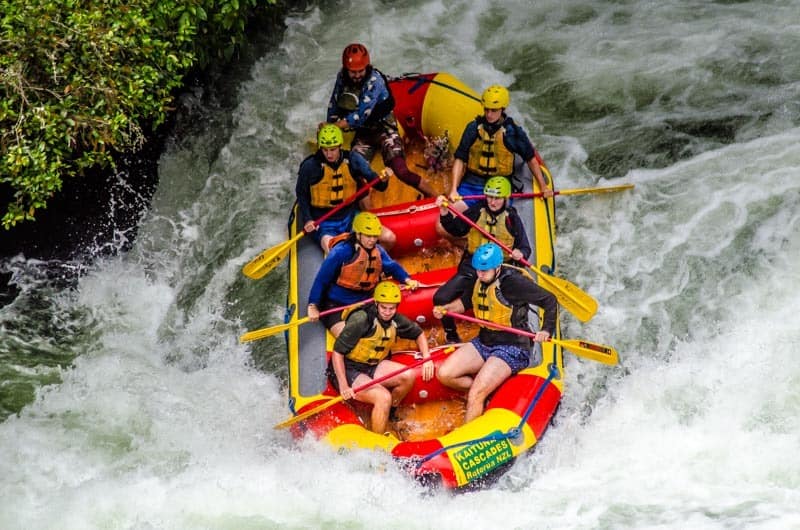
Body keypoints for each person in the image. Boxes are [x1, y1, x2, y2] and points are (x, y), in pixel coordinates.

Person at [433, 242, 557, 422]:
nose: (480, 274)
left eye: (485, 271)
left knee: (475, 394)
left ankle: (471, 436)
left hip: (512, 346)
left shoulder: (513, 283)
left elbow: (549, 300)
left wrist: (546, 329)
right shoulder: (479, 278)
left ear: (497, 267)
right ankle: (485, 393)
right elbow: (464, 304)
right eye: (478, 270)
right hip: (484, 340)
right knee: (445, 374)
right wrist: (445, 309)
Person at [326, 43, 437, 199]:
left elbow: (361, 115)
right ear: (346, 70)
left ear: (367, 67)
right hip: (364, 133)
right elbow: (334, 103)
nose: (357, 75)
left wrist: (336, 126)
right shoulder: (342, 77)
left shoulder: (374, 80)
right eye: (353, 72)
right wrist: (328, 127)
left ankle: (433, 196)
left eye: (360, 71)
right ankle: (368, 216)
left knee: (401, 171)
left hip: (384, 129)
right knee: (355, 174)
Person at [433, 176, 531, 344]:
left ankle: (517, 333)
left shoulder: (511, 218)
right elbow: (456, 229)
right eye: (490, 197)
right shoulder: (478, 210)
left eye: (497, 198)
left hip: (500, 270)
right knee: (440, 299)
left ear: (506, 198)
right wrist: (444, 212)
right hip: (473, 266)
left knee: (505, 302)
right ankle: (451, 334)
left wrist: (519, 253)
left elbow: (525, 247)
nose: (492, 202)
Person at [328, 281, 434, 434]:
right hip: (349, 368)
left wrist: (427, 357)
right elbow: (337, 353)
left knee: (408, 376)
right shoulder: (361, 320)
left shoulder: (396, 320)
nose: (387, 312)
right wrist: (344, 384)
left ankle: (389, 412)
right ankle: (378, 443)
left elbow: (419, 334)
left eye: (391, 308)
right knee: (383, 397)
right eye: (383, 307)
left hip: (372, 365)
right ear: (376, 303)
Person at [307, 211, 418, 337]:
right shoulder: (340, 252)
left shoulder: (377, 251)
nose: (372, 240)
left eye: (375, 237)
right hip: (336, 303)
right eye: (368, 236)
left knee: (378, 333)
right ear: (358, 234)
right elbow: (321, 280)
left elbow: (392, 267)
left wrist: (407, 279)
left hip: (365, 299)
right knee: (348, 337)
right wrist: (313, 305)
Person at [447, 84, 554, 212]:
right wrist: (453, 189)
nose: (489, 114)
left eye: (493, 110)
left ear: (502, 109)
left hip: (500, 185)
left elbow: (530, 159)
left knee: (494, 218)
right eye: (486, 109)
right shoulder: (473, 128)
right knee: (448, 217)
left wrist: (543, 186)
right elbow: (460, 158)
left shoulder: (512, 132)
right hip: (473, 183)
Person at [296, 123, 396, 253]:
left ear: (340, 146)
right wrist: (308, 219)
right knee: (337, 253)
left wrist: (385, 178)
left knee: (389, 238)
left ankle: (374, 263)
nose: (329, 154)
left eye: (332, 149)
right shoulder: (310, 166)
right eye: (325, 150)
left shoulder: (353, 160)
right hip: (324, 224)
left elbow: (380, 186)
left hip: (350, 217)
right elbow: (301, 194)